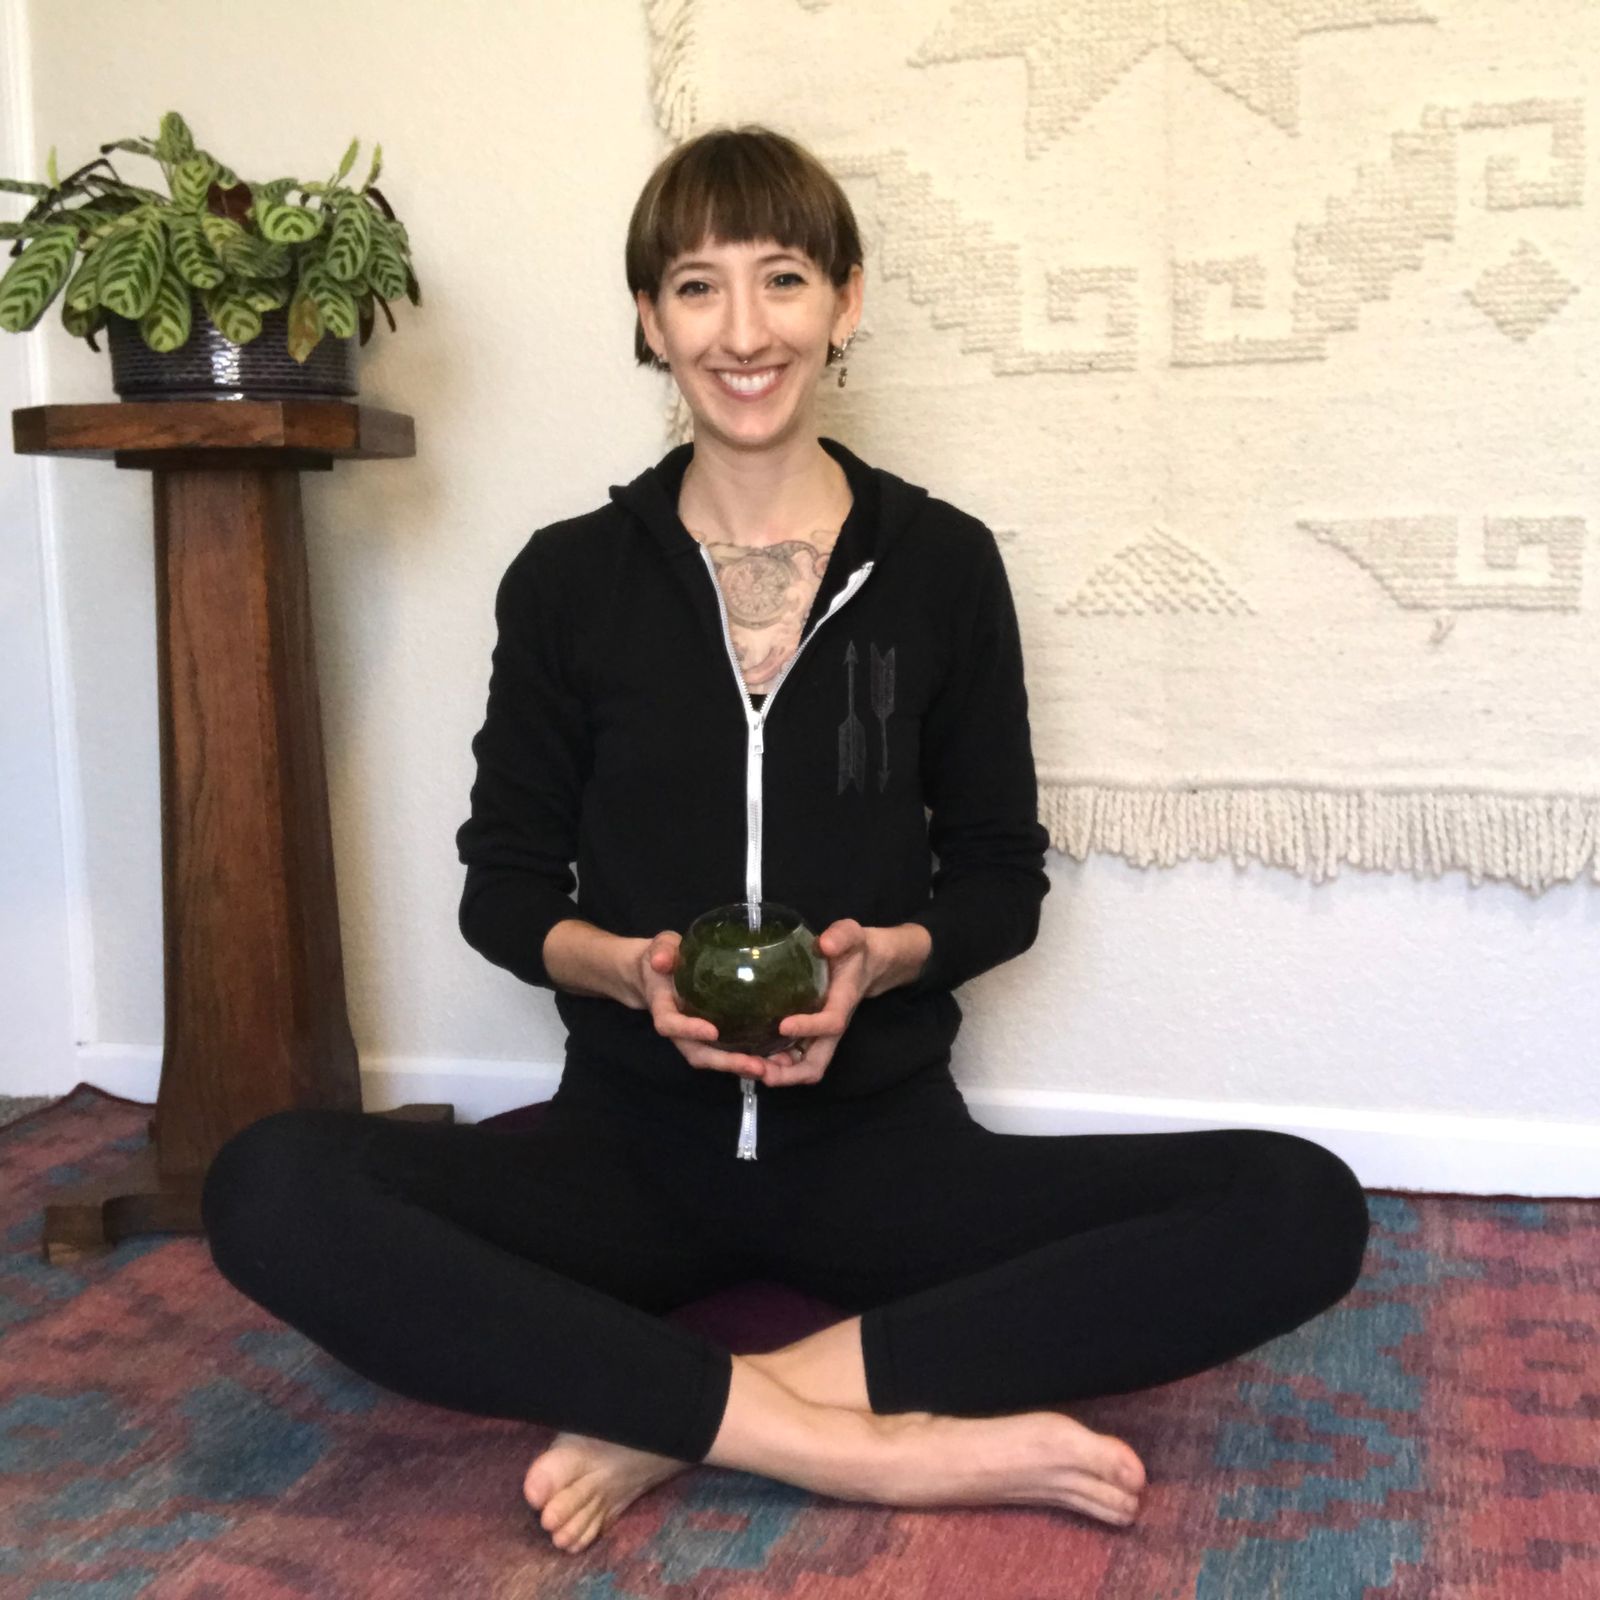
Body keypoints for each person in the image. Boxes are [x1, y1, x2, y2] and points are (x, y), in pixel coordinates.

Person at [200, 125, 1371, 1559]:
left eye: (784, 279)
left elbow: (1000, 880)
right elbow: (502, 893)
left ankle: (687, 1412)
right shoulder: (568, 580)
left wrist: (887, 960)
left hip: (884, 1153)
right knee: (269, 1186)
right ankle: (854, 1449)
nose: (744, 332)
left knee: (1297, 1205)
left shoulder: (942, 566)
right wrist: (628, 971)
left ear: (845, 302)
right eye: (698, 287)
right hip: (625, 1153)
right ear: (650, 318)